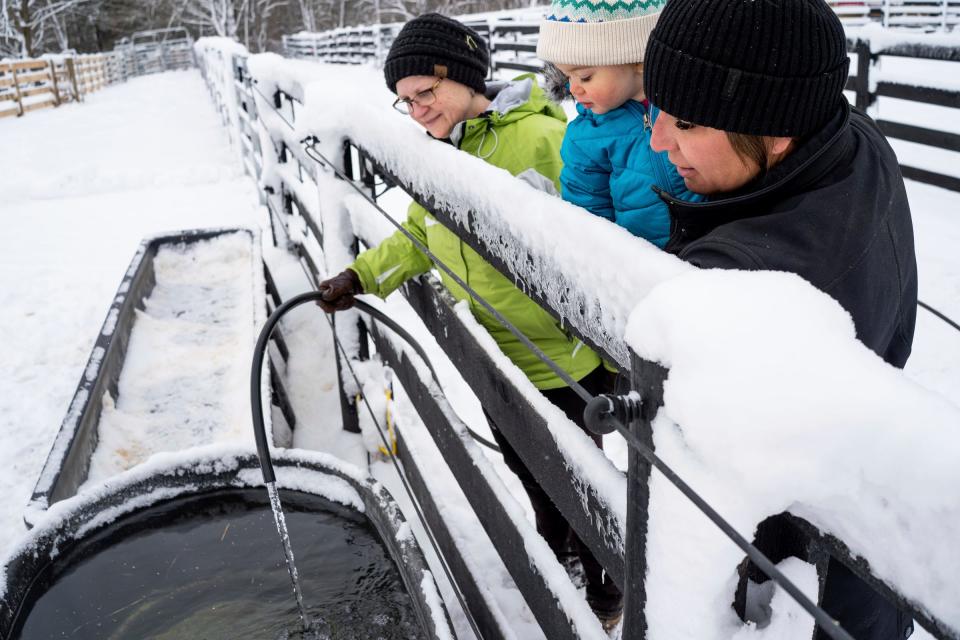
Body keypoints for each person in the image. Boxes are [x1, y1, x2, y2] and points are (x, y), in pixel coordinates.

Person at [314, 13, 622, 630]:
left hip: (559, 359)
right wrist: (364, 275)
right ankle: (555, 551)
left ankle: (606, 586)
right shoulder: (444, 149)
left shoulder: (538, 139)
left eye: (426, 92)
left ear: (461, 77)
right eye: (406, 103)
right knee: (526, 470)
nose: (418, 110)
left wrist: (609, 350)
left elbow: (599, 244)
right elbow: (422, 231)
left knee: (574, 481)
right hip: (496, 352)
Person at [642, 0, 918, 638]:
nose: (658, 140)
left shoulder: (741, 280)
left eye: (685, 121)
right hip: (859, 572)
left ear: (775, 129)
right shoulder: (852, 143)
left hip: (793, 587)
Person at [536, 0, 698, 247]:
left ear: (638, 61)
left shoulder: (691, 102)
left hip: (720, 250)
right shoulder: (585, 139)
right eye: (567, 77)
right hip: (643, 266)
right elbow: (588, 221)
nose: (573, 88)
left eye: (585, 76)